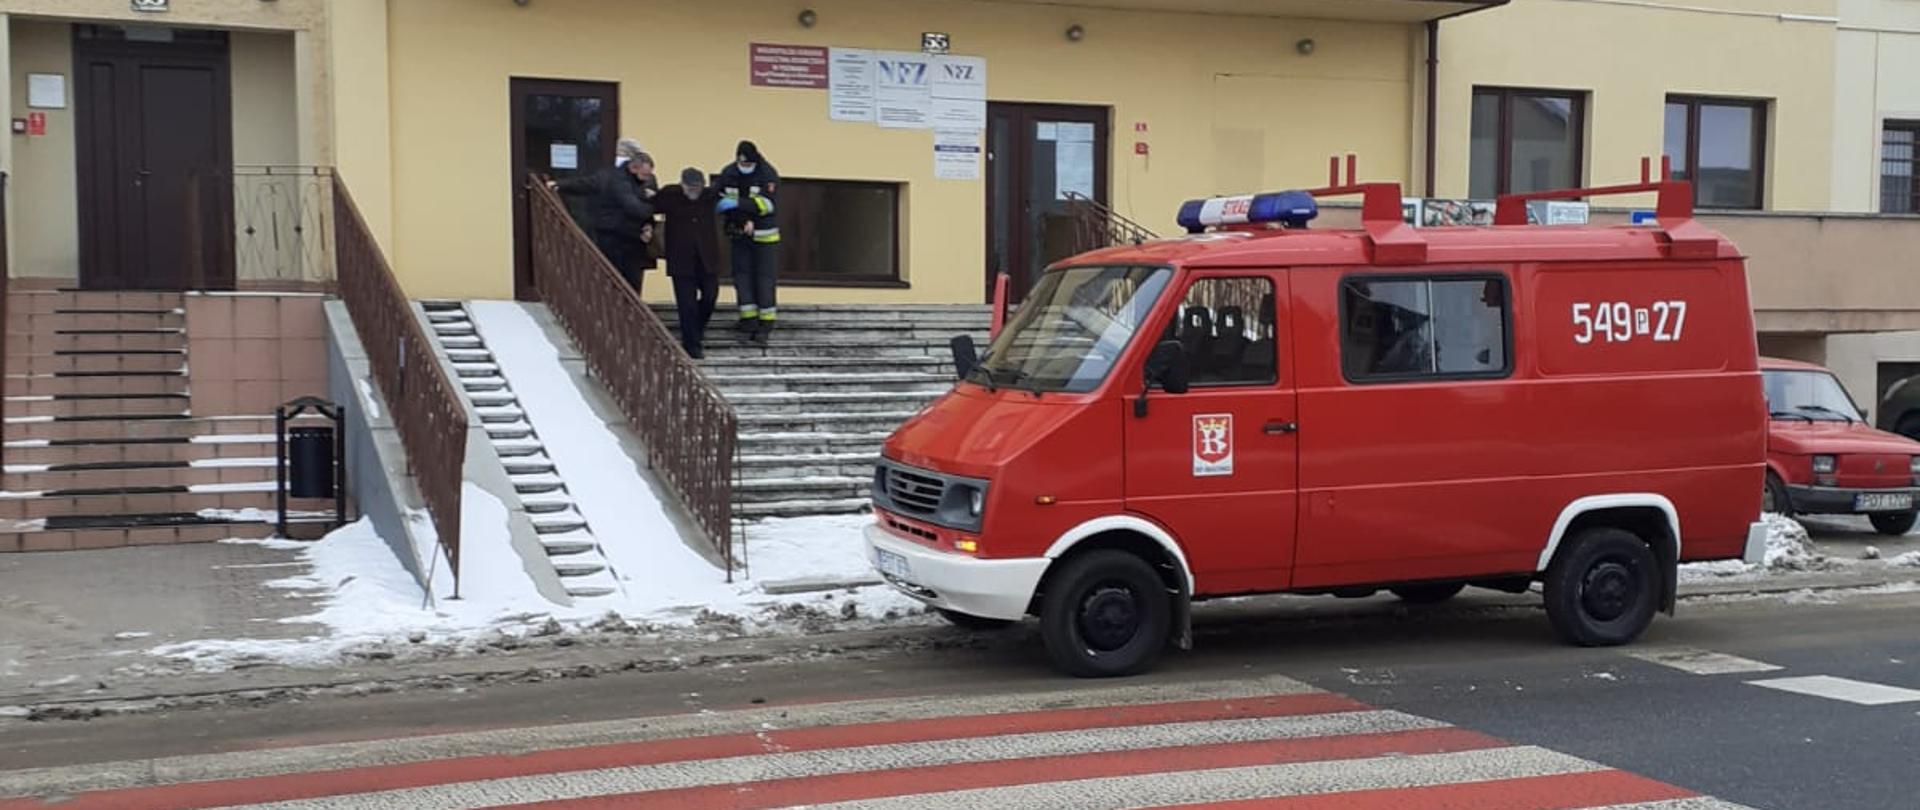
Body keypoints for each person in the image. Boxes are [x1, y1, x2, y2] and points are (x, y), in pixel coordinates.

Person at [552, 151, 658, 293]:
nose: (647, 178)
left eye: (649, 175)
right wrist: (559, 185)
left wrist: (649, 225)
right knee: (613, 279)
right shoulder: (613, 178)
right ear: (633, 168)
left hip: (635, 238)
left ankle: (629, 307)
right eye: (644, 175)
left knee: (634, 280)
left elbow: (648, 205)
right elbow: (585, 184)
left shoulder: (649, 180)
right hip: (613, 235)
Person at [714, 141, 781, 344]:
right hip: (740, 233)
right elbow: (719, 198)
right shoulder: (729, 173)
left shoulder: (767, 174)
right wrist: (742, 219)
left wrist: (740, 205)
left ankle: (765, 325)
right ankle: (748, 320)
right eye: (742, 164)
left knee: (764, 280)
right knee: (742, 277)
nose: (745, 167)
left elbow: (768, 204)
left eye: (748, 164)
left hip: (764, 236)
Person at [654, 167, 722, 359]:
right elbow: (648, 207)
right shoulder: (670, 195)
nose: (694, 191)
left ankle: (696, 331)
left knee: (710, 297)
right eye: (691, 187)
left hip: (707, 259)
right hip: (681, 261)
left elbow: (727, 187)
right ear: (682, 184)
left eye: (698, 187)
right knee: (687, 305)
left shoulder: (709, 197)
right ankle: (692, 345)